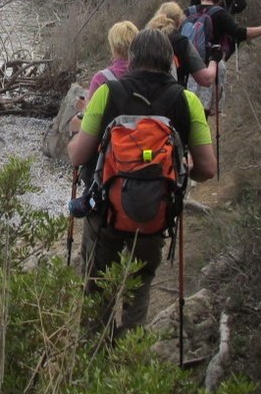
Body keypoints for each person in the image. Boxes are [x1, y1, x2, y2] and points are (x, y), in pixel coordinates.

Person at [68, 29, 217, 334]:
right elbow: (208, 169)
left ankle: (97, 354)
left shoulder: (108, 92)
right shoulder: (186, 101)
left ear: (131, 60)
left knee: (97, 289)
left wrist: (73, 133)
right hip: (155, 214)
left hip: (105, 213)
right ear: (171, 62)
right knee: (140, 286)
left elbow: (78, 156)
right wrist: (181, 168)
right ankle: (130, 357)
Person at [69, 20, 139, 137]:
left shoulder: (101, 78)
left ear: (113, 48)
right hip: (141, 137)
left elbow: (91, 117)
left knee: (75, 122)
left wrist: (83, 107)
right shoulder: (146, 75)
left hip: (110, 141)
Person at [146, 1, 217, 88]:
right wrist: (214, 59)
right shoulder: (182, 43)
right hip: (173, 96)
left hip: (142, 96)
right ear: (179, 21)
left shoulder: (142, 39)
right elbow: (206, 79)